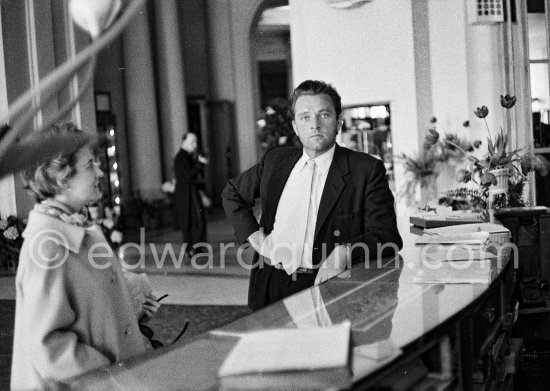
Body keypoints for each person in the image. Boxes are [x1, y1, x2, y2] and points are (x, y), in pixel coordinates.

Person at [222, 80, 402, 310]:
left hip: (328, 286)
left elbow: (387, 235)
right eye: (305, 117)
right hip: (270, 284)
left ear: (338, 122)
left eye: (324, 115)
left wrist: (344, 252)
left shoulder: (365, 170)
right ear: (295, 126)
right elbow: (232, 192)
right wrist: (256, 239)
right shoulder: (275, 161)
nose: (314, 125)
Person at [12, 122, 160, 390]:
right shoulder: (47, 245)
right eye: (90, 165)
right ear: (61, 178)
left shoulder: (77, 229)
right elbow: (49, 347)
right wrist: (112, 373)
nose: (100, 171)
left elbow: (86, 313)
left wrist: (131, 309)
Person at [173, 132, 208, 256]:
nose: (195, 144)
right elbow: (188, 175)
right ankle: (193, 248)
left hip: (188, 193)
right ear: (184, 142)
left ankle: (195, 248)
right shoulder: (181, 157)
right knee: (195, 219)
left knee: (194, 220)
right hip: (187, 194)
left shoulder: (186, 156)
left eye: (196, 142)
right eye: (192, 141)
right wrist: (199, 164)